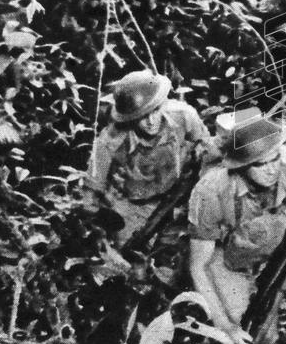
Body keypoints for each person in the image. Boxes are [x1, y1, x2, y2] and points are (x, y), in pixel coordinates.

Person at [187, 108, 286, 344]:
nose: (271, 169)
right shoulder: (210, 191)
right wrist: (225, 326)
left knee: (268, 338)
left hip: (275, 253)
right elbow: (198, 266)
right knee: (243, 335)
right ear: (242, 166)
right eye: (260, 164)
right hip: (228, 259)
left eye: (274, 158)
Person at [87, 70, 214, 248]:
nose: (151, 121)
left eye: (155, 110)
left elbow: (205, 144)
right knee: (127, 251)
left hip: (174, 197)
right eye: (142, 116)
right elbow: (92, 188)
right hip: (130, 204)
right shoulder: (110, 140)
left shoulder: (183, 115)